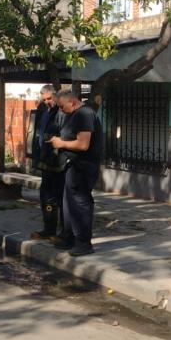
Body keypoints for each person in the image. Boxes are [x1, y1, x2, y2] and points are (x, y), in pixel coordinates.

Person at [48, 89, 103, 256]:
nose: (60, 109)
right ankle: (68, 237)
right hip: (74, 165)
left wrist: (61, 144)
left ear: (72, 101)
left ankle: (84, 242)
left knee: (81, 202)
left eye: (62, 106)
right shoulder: (74, 114)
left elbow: (83, 144)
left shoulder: (84, 114)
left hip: (84, 167)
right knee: (68, 202)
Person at [29, 85, 66, 240]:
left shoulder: (61, 111)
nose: (47, 102)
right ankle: (48, 228)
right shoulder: (42, 109)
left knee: (60, 197)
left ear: (55, 96)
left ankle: (64, 232)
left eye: (49, 99)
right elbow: (38, 133)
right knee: (46, 197)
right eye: (44, 99)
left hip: (58, 161)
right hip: (44, 159)